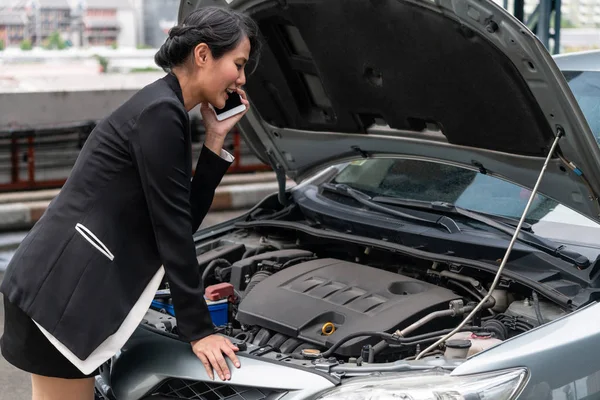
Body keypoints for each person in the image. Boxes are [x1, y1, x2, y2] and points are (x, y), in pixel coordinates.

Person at [0, 6, 261, 400]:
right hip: (60, 297)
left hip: (56, 290)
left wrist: (214, 140)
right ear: (203, 55)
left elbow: (178, 218)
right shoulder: (161, 113)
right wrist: (200, 330)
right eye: (238, 64)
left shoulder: (164, 106)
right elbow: (173, 231)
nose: (241, 79)